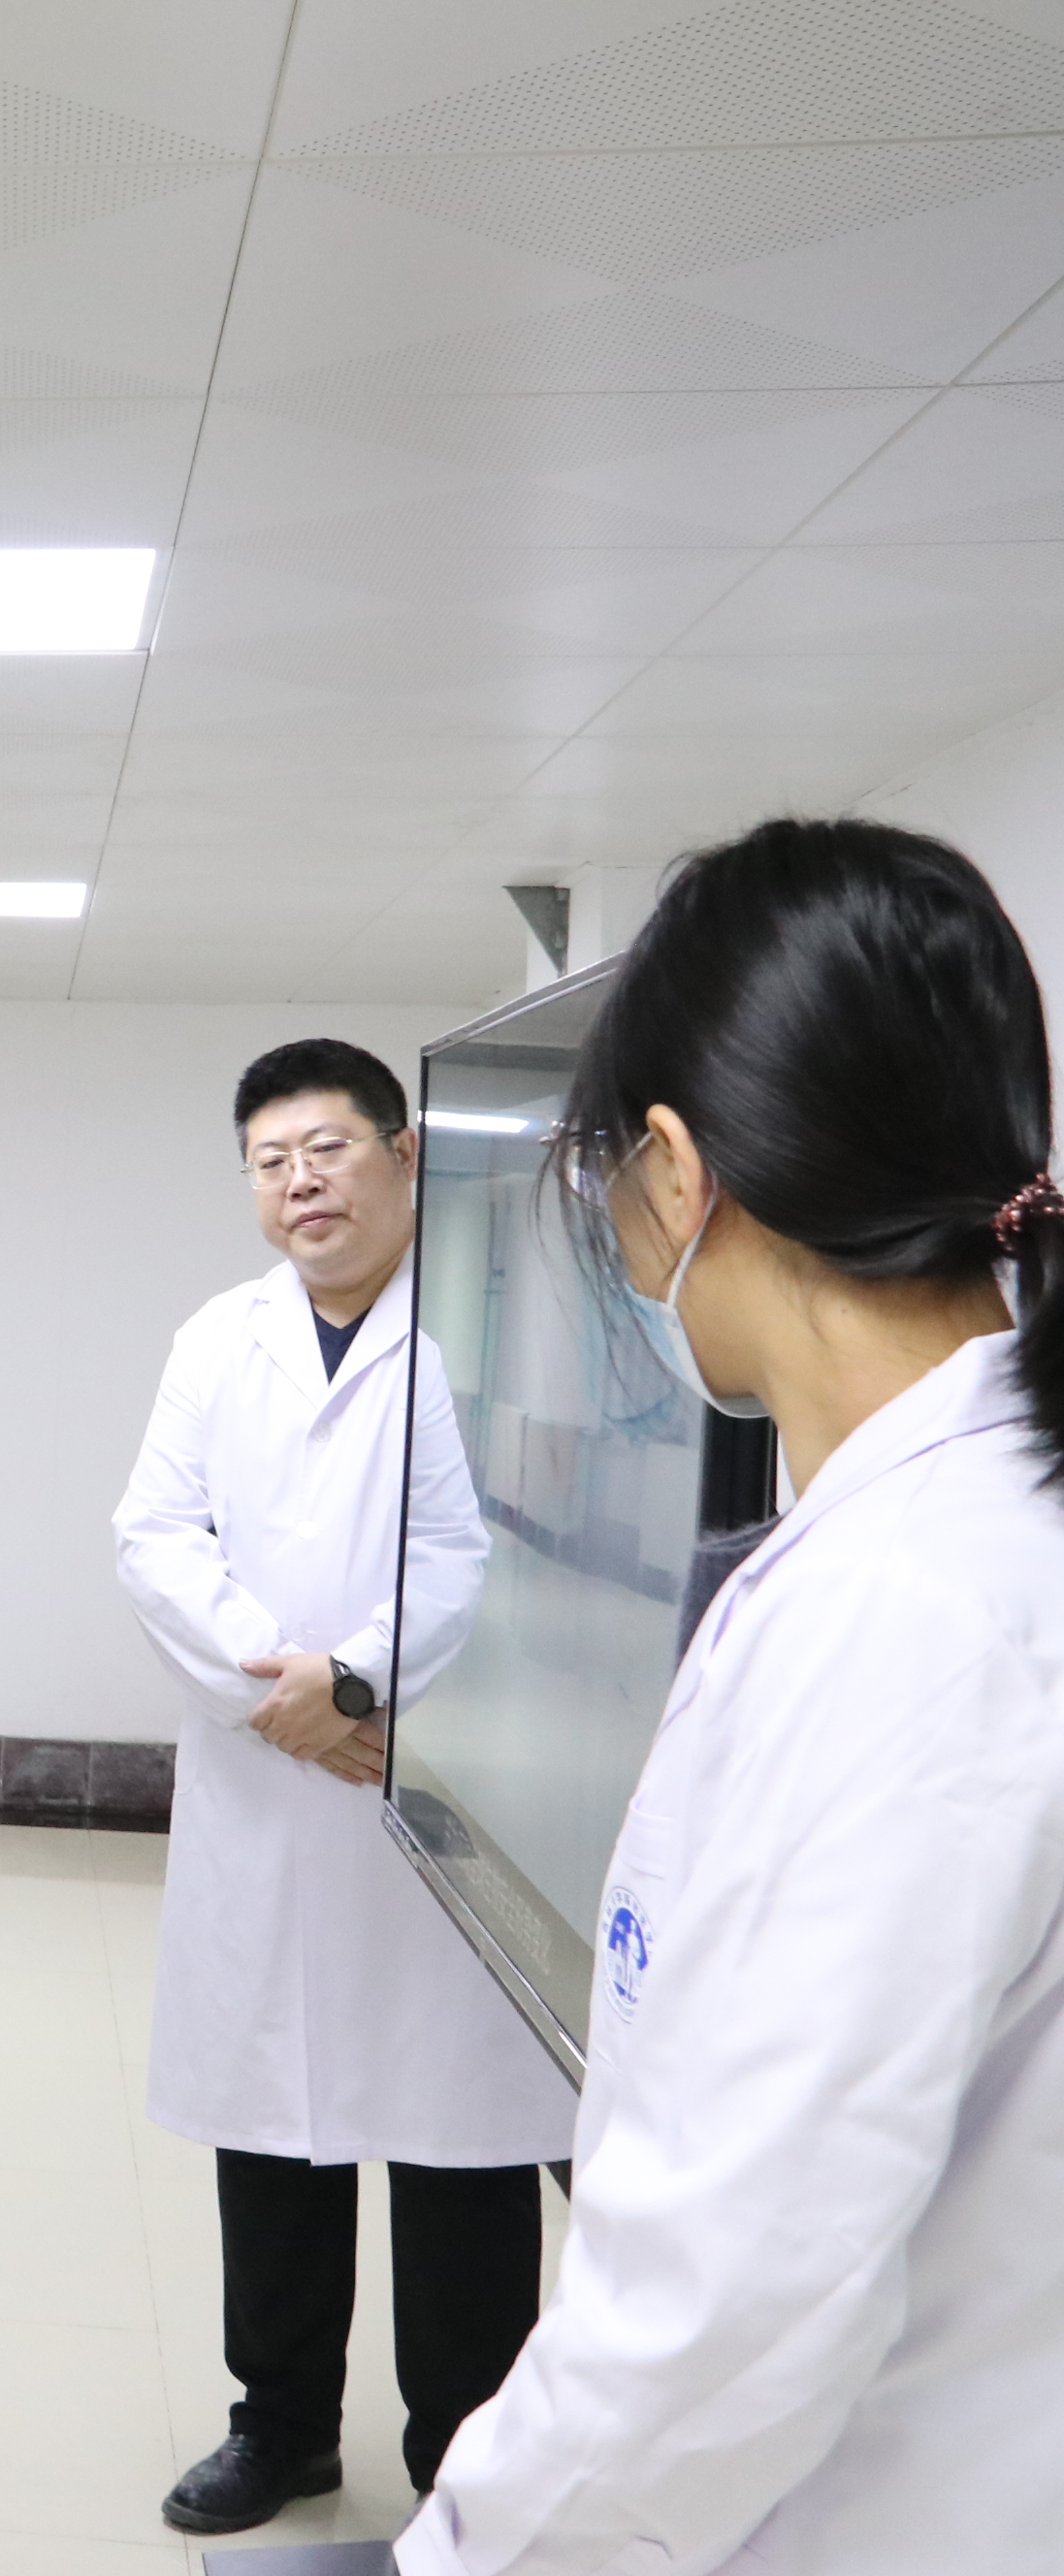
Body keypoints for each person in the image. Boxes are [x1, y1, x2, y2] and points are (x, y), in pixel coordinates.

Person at [402, 820, 1064, 2576]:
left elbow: (725, 2309)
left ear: (680, 1174)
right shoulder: (973, 1527)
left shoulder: (904, 1615)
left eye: (614, 1181)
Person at [110, 1036, 566, 2534]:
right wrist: (284, 1695)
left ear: (404, 1153)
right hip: (273, 1785)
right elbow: (155, 1536)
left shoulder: (481, 1334)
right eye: (271, 1160)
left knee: (459, 2148)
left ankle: (464, 2464)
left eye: (328, 1148)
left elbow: (479, 1550)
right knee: (273, 2126)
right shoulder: (217, 1338)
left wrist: (354, 1681)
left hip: (443, 1785)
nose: (300, 1182)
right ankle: (284, 2427)